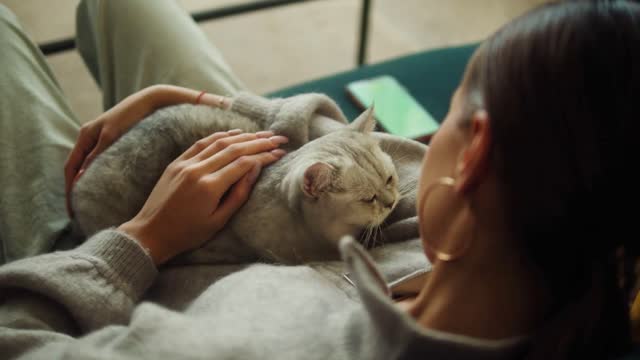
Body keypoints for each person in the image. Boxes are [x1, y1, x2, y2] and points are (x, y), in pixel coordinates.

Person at [0, 0, 637, 359]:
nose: (425, 140)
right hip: (256, 162)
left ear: (475, 152)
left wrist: (137, 242)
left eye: (450, 113)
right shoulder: (494, 238)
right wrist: (189, 99)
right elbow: (339, 133)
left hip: (106, 266)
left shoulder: (265, 342)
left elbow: (17, 338)